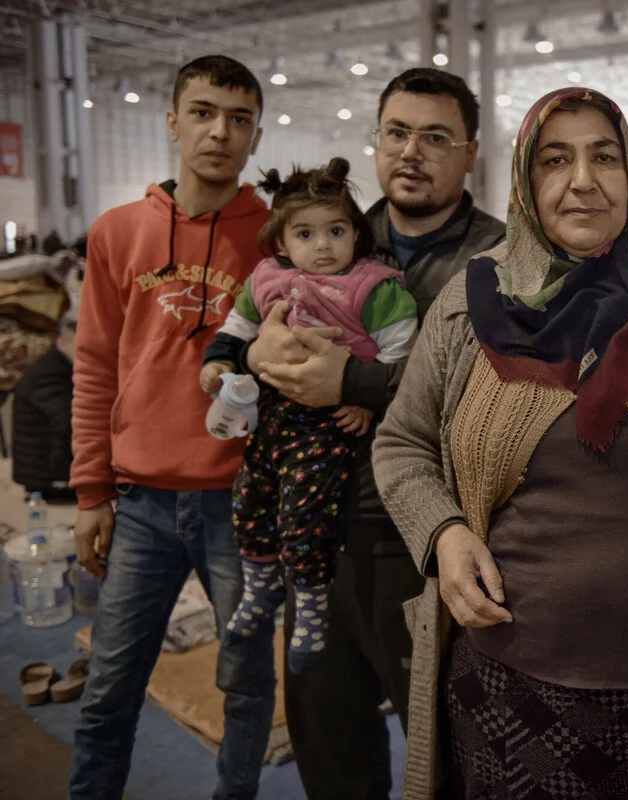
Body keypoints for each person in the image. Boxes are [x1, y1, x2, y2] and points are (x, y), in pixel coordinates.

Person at [372, 87, 628, 800]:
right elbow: (401, 442)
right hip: (508, 683)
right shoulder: (473, 301)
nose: (583, 181)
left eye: (605, 157)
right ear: (526, 181)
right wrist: (442, 534)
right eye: (555, 159)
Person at [240, 68, 504, 798]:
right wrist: (254, 352)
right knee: (331, 748)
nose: (411, 151)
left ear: (469, 153)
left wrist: (352, 385)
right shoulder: (327, 234)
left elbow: (481, 399)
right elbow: (257, 319)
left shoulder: (499, 262)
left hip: (421, 544)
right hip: (318, 530)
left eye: (434, 137)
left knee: (443, 752)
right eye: (396, 133)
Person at [69, 55, 277, 800]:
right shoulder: (117, 233)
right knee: (107, 691)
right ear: (172, 121)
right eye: (203, 112)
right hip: (142, 506)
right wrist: (91, 490)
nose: (220, 131)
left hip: (242, 504)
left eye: (239, 118)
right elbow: (93, 365)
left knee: (248, 689)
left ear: (255, 134)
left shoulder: (277, 238)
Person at [200, 158, 418, 674]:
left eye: (336, 230)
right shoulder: (266, 279)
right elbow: (236, 326)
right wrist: (220, 360)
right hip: (273, 416)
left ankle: (312, 610)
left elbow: (401, 355)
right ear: (282, 243)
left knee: (303, 518)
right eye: (306, 233)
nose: (323, 245)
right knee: (249, 501)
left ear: (357, 234)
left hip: (327, 426)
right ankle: (259, 589)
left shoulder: (375, 287)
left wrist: (364, 401)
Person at [12, 304, 76, 501]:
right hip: (48, 480)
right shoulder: (49, 375)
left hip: (46, 474)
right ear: (63, 344)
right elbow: (70, 424)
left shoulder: (56, 367)